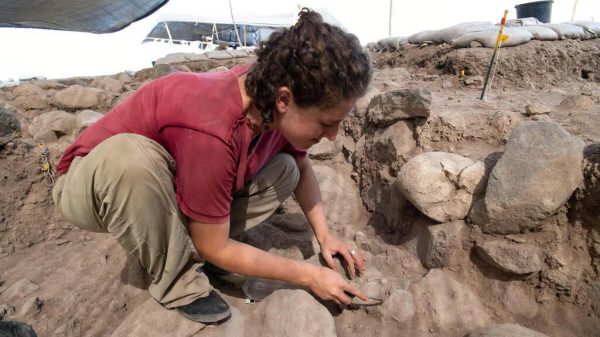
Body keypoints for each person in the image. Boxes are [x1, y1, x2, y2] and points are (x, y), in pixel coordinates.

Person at [52, 8, 372, 323]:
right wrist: (309, 275)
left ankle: (191, 238)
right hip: (92, 181)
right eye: (328, 123)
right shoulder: (212, 127)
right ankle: (180, 284)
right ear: (284, 100)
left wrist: (325, 237)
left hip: (174, 180)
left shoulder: (269, 95)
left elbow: (301, 169)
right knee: (132, 160)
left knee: (286, 168)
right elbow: (213, 245)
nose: (332, 136)